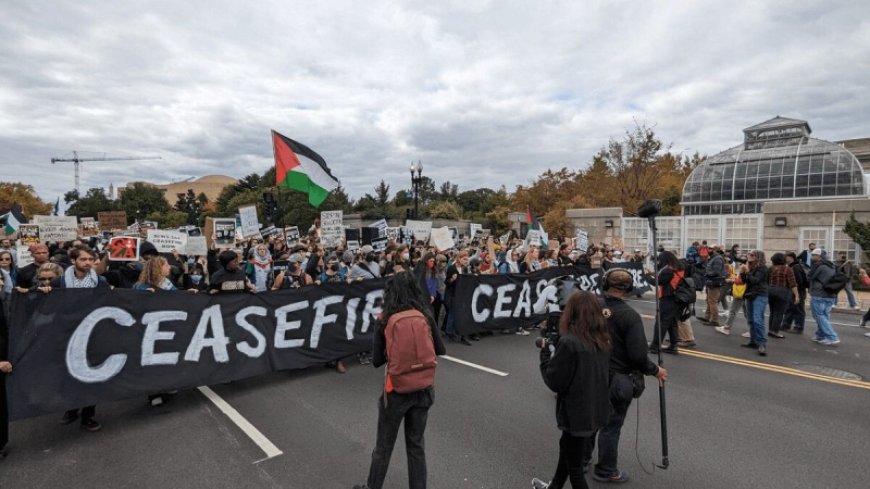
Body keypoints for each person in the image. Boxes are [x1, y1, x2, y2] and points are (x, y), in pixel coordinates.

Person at [353, 272, 446, 489]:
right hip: (424, 388)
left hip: (396, 391)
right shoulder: (424, 314)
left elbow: (377, 360)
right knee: (416, 445)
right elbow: (440, 349)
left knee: (383, 447)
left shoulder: (384, 319)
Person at [592, 268, 667, 484]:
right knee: (611, 426)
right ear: (628, 288)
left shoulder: (592, 306)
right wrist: (655, 370)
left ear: (605, 284)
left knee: (589, 420)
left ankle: (582, 459)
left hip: (592, 374)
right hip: (617, 380)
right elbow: (637, 356)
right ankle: (606, 470)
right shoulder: (630, 316)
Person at [532, 291, 612, 489]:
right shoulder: (602, 338)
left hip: (577, 414)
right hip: (595, 408)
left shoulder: (570, 342)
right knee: (566, 450)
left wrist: (544, 354)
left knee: (575, 469)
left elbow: (555, 380)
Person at [50, 245, 110, 431]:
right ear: (73, 261)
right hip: (67, 335)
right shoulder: (59, 283)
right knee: (68, 374)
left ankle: (88, 415)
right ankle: (71, 408)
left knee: (91, 375)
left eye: (91, 260)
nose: (88, 263)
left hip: (93, 335)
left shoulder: (100, 282)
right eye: (83, 259)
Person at [650, 251, 683, 354]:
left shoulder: (668, 270)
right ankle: (673, 346)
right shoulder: (679, 267)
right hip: (678, 298)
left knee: (661, 322)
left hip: (668, 298)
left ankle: (655, 346)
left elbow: (658, 282)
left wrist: (646, 277)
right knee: (672, 323)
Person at [808, 248, 840, 346]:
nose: (812, 256)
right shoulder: (832, 265)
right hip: (831, 295)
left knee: (819, 316)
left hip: (819, 294)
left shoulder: (819, 266)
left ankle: (832, 337)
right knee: (824, 316)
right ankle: (820, 335)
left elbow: (809, 277)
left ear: (819, 256)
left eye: (814, 255)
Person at [740, 250, 769, 356]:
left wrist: (747, 272)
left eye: (752, 255)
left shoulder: (763, 268)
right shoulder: (751, 267)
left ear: (758, 257)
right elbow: (745, 281)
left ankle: (762, 344)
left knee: (758, 319)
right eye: (749, 255)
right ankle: (753, 341)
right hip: (750, 295)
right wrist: (743, 273)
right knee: (751, 319)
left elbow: (756, 280)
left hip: (760, 295)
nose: (749, 256)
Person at [766, 253, 798, 339]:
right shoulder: (788, 269)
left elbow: (767, 281)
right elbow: (792, 283)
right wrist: (797, 295)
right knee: (779, 313)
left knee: (772, 312)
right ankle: (775, 331)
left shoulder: (770, 269)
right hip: (783, 291)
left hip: (770, 290)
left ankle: (770, 330)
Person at [699, 245, 726, 327]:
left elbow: (716, 272)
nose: (708, 250)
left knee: (712, 301)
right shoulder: (713, 257)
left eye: (710, 248)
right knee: (709, 300)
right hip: (711, 281)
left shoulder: (717, 258)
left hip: (715, 282)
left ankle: (715, 320)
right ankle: (707, 317)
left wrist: (707, 274)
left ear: (715, 250)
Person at [782, 252, 809, 334]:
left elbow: (799, 281)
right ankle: (786, 325)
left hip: (798, 291)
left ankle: (799, 327)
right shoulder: (793, 266)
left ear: (791, 258)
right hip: (795, 290)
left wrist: (796, 292)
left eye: (786, 257)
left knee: (798, 309)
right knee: (790, 308)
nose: (785, 259)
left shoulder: (795, 267)